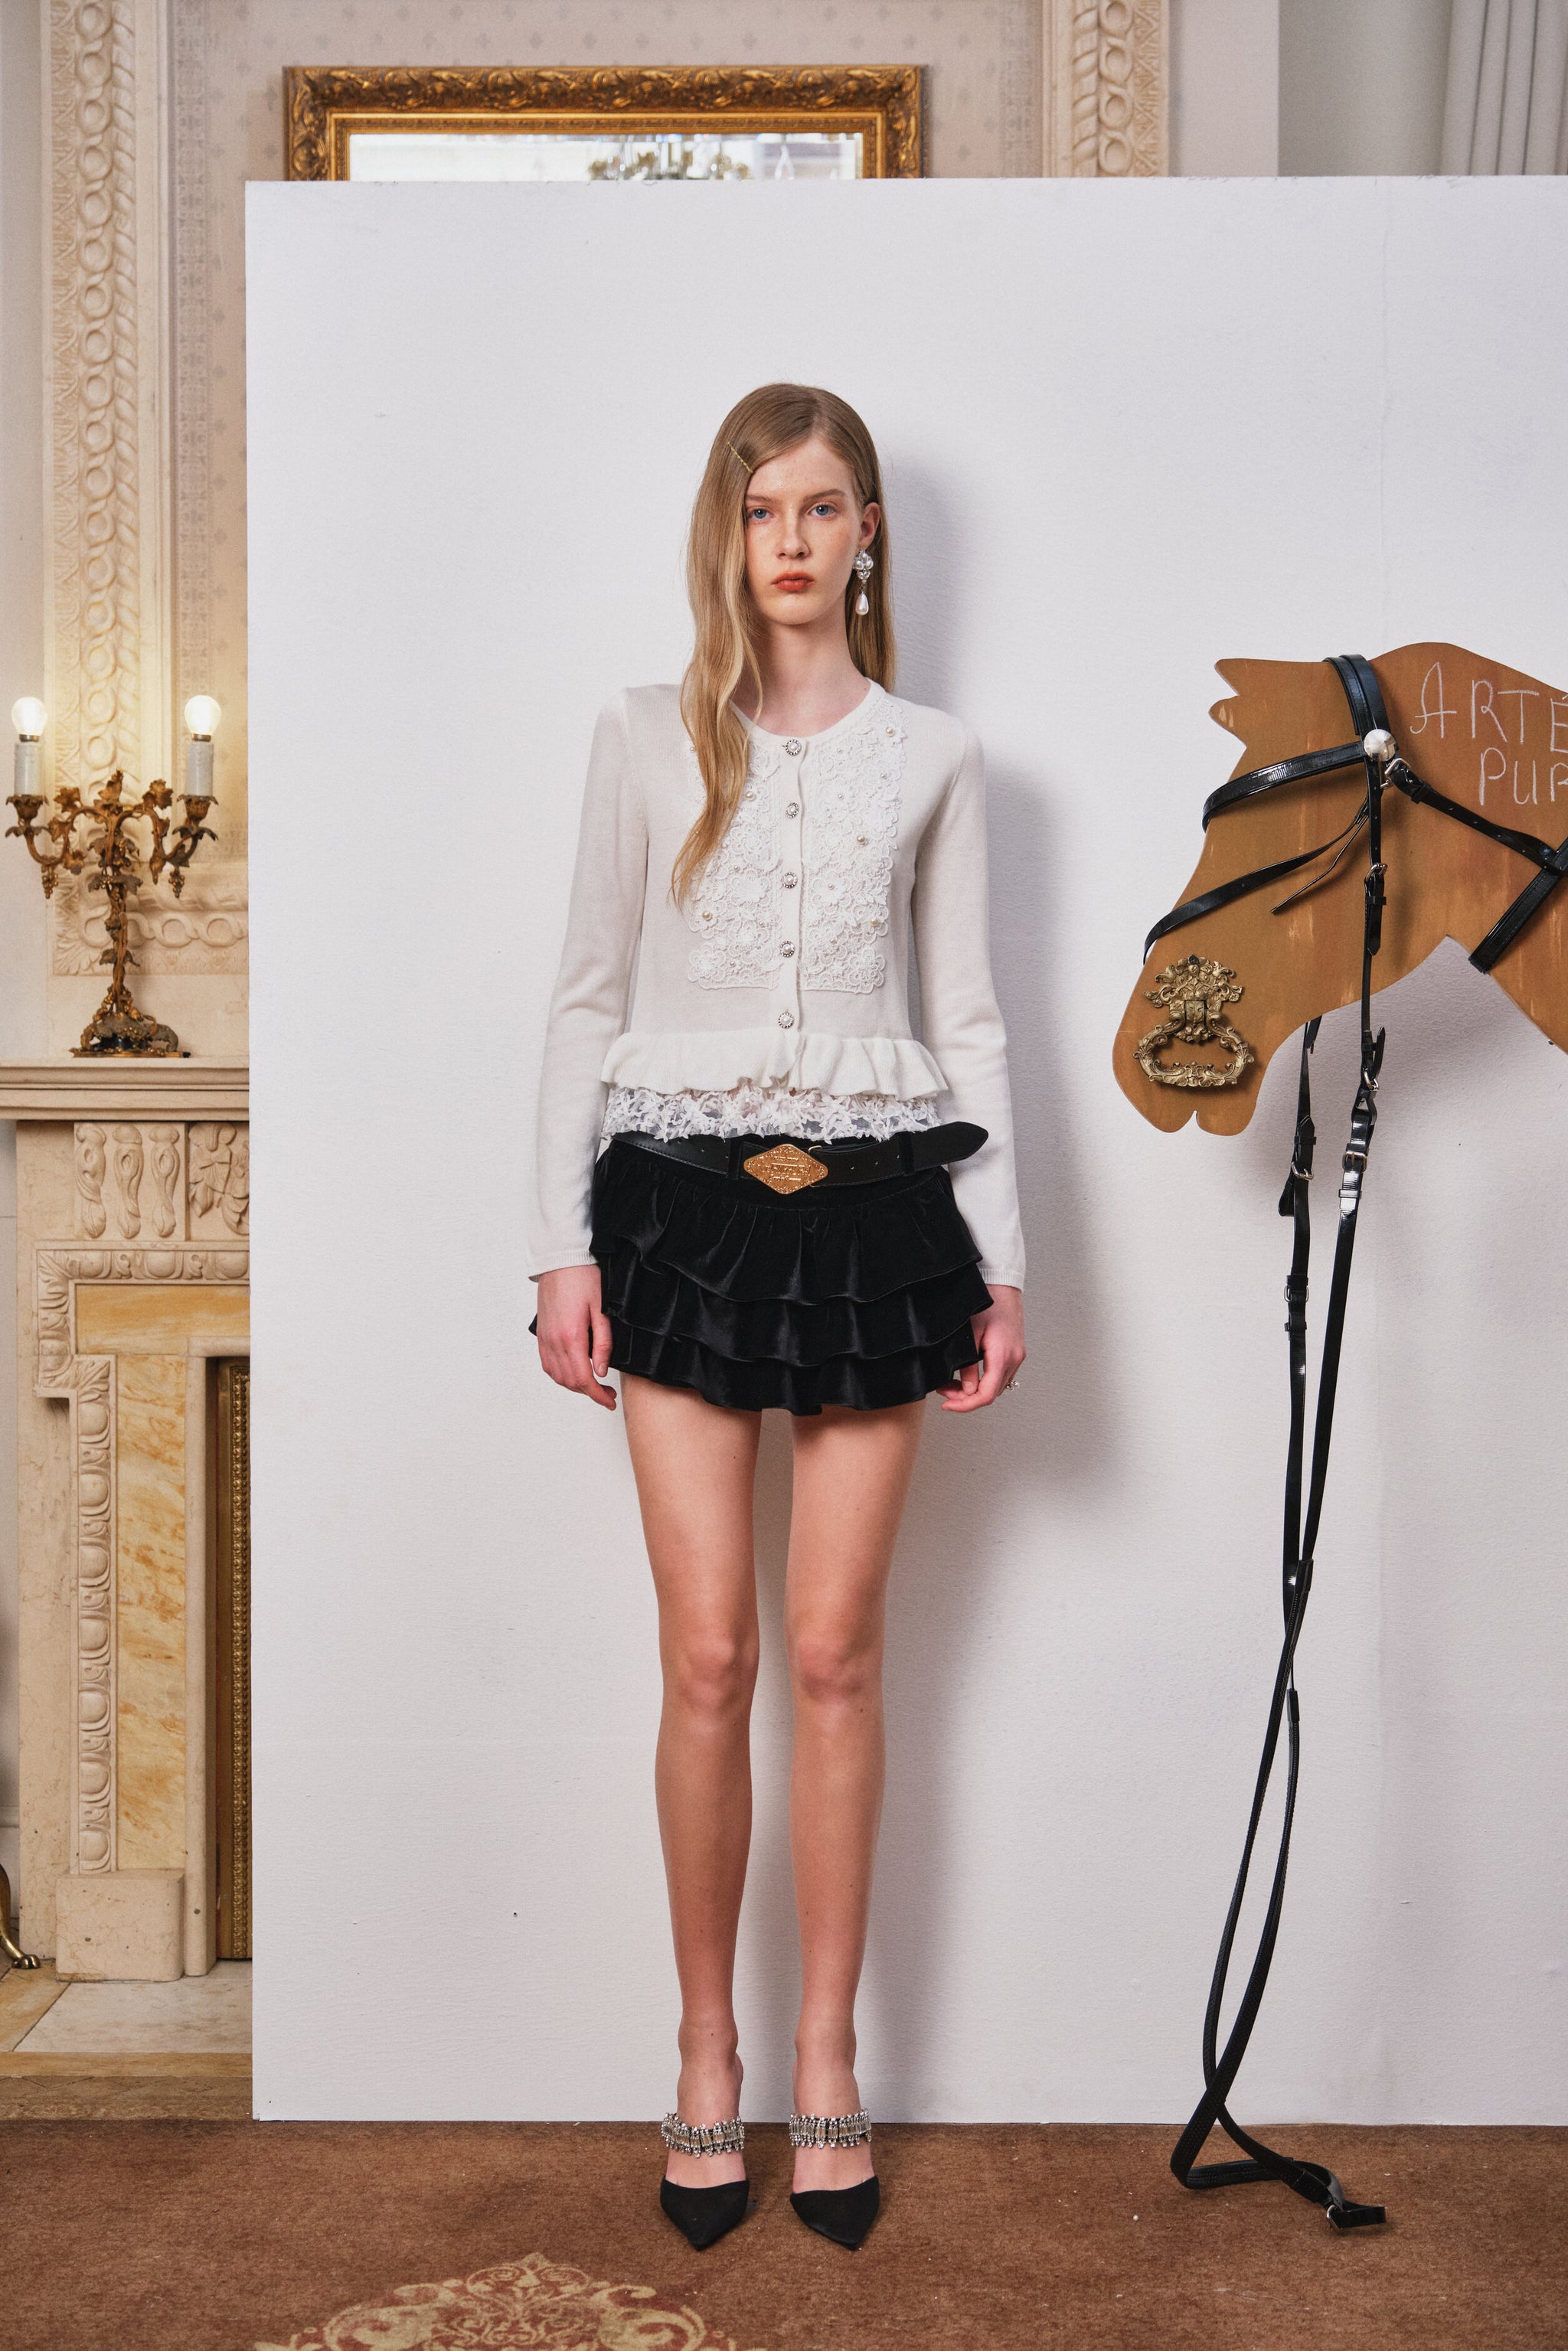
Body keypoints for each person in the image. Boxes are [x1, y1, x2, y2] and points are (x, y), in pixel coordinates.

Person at [528, 384, 1025, 2251]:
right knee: (709, 1660)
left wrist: (1004, 1265)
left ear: (868, 530)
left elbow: (965, 1021)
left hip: (885, 1219)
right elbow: (585, 998)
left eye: (823, 507)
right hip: (672, 1215)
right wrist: (557, 1250)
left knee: (833, 1657)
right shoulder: (643, 735)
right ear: (727, 535)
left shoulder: (938, 757)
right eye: (762, 511)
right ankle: (704, 2053)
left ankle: (827, 2055)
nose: (793, 541)